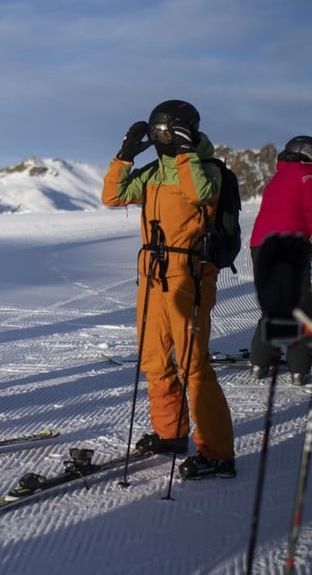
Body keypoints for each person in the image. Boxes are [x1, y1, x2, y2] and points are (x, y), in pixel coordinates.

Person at [102, 99, 236, 479]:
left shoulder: (206, 170)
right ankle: (170, 433)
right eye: (155, 132)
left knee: (193, 365)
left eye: (167, 132)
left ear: (185, 132)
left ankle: (218, 453)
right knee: (154, 360)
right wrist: (124, 156)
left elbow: (200, 195)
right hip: (152, 274)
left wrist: (186, 153)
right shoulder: (154, 172)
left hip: (189, 274)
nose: (161, 138)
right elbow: (113, 196)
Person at [248, 136, 312, 385]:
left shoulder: (278, 177)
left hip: (261, 246)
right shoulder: (306, 173)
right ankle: (299, 367)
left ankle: (259, 362)